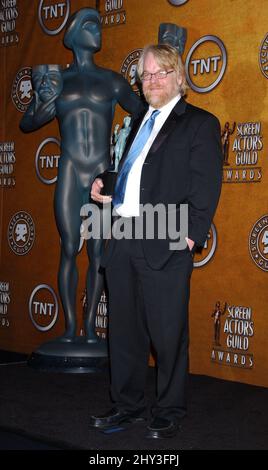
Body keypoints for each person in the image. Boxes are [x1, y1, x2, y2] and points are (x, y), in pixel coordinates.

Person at [90, 44, 223, 439]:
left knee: (168, 334)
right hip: (123, 236)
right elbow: (134, 173)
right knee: (125, 332)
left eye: (160, 72)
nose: (152, 80)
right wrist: (104, 181)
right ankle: (127, 405)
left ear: (178, 77)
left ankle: (169, 408)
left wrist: (189, 236)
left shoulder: (199, 123)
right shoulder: (135, 121)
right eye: (146, 75)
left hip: (165, 238)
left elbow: (207, 185)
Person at [20, 8, 143, 344]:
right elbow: (28, 123)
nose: (97, 31)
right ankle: (69, 329)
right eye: (89, 26)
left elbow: (145, 114)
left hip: (102, 173)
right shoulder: (58, 80)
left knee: (98, 253)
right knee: (70, 247)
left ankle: (90, 329)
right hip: (71, 170)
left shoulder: (113, 80)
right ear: (72, 36)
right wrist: (43, 100)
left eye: (99, 25)